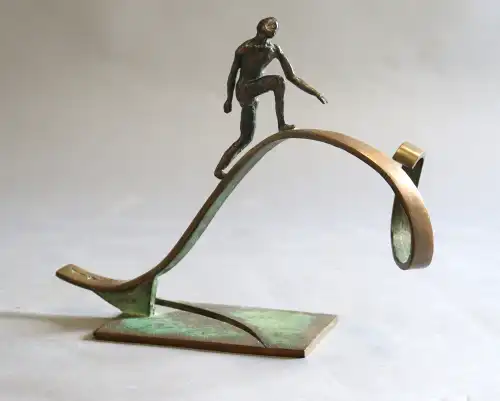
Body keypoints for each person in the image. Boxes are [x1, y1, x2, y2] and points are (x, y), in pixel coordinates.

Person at [214, 17, 328, 179]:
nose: (274, 30)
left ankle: (219, 170)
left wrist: (315, 92)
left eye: (276, 28)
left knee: (246, 138)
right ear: (261, 27)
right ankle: (281, 124)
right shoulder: (245, 48)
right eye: (270, 26)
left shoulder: (274, 49)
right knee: (277, 81)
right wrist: (229, 99)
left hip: (255, 90)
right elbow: (232, 75)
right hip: (244, 89)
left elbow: (292, 77)